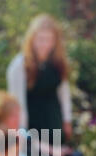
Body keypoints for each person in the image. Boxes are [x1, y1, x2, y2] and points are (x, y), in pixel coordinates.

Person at [7, 14, 73, 144]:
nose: (46, 44)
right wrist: (22, 132)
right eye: (41, 39)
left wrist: (67, 120)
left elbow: (64, 93)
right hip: (32, 127)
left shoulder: (57, 62)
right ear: (32, 39)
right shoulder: (19, 66)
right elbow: (16, 102)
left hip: (54, 123)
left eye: (50, 39)